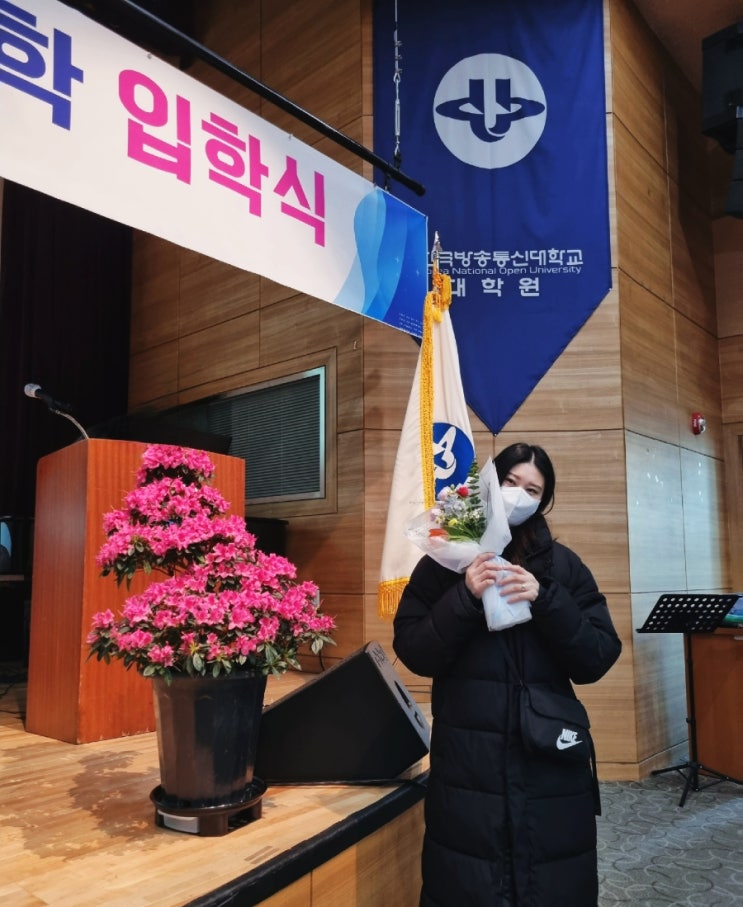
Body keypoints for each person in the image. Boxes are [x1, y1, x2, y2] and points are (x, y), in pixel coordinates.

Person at [393, 442, 622, 907]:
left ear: (545, 500)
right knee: (466, 879)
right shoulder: (444, 559)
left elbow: (598, 655)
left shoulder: (563, 565)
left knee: (553, 880)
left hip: (550, 762)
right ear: (490, 484)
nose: (520, 496)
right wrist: (465, 598)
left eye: (533, 490)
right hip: (468, 762)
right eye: (511, 483)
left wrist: (548, 598)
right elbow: (414, 650)